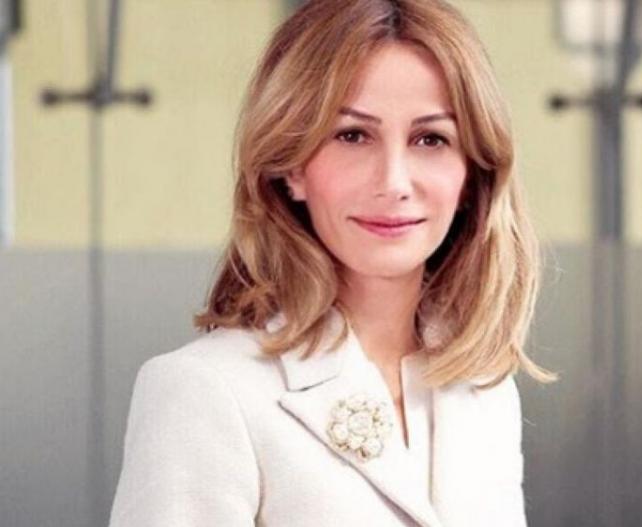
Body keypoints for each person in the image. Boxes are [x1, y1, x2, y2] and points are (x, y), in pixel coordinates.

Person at [109, 0, 556, 525]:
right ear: (292, 166)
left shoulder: (482, 390)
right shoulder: (204, 390)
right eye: (352, 135)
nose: (394, 182)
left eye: (430, 138)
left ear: (471, 177)